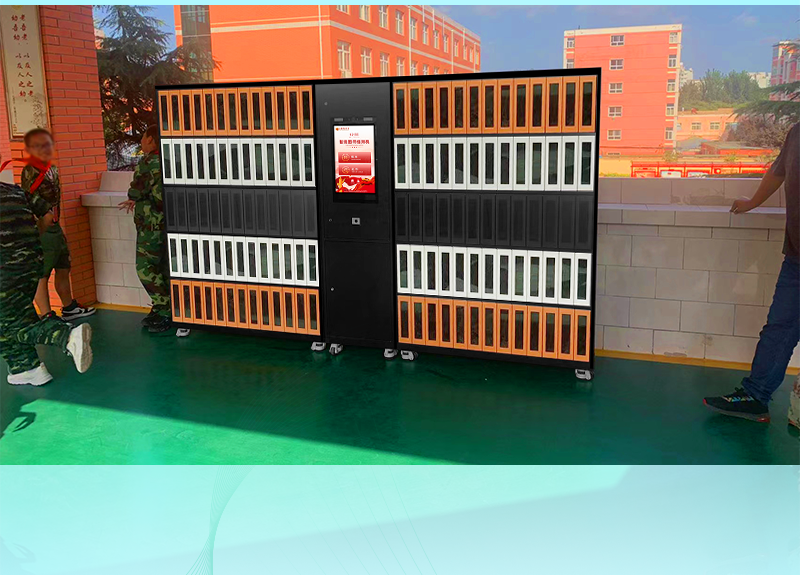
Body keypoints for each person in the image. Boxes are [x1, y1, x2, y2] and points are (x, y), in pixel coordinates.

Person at [704, 122, 799, 423]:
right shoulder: (797, 133)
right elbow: (778, 172)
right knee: (778, 328)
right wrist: (752, 203)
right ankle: (755, 397)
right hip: (797, 256)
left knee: (780, 328)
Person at [0, 176, 93, 385]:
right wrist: (31, 238)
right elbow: (49, 216)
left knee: (15, 325)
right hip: (31, 262)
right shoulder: (15, 191)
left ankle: (67, 336)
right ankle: (26, 368)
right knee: (10, 318)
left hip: (4, 270)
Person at [21, 128, 95, 321]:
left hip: (55, 226)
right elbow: (28, 197)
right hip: (42, 229)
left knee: (63, 266)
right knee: (42, 272)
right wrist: (43, 218)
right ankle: (46, 314)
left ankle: (69, 307)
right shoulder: (30, 170)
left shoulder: (52, 169)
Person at [118, 125, 171, 333]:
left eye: (143, 137)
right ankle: (168, 307)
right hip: (167, 224)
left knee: (145, 268)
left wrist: (133, 197)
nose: (141, 141)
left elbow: (138, 188)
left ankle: (164, 308)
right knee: (163, 267)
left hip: (151, 225)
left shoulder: (149, 162)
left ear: (150, 139)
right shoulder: (169, 160)